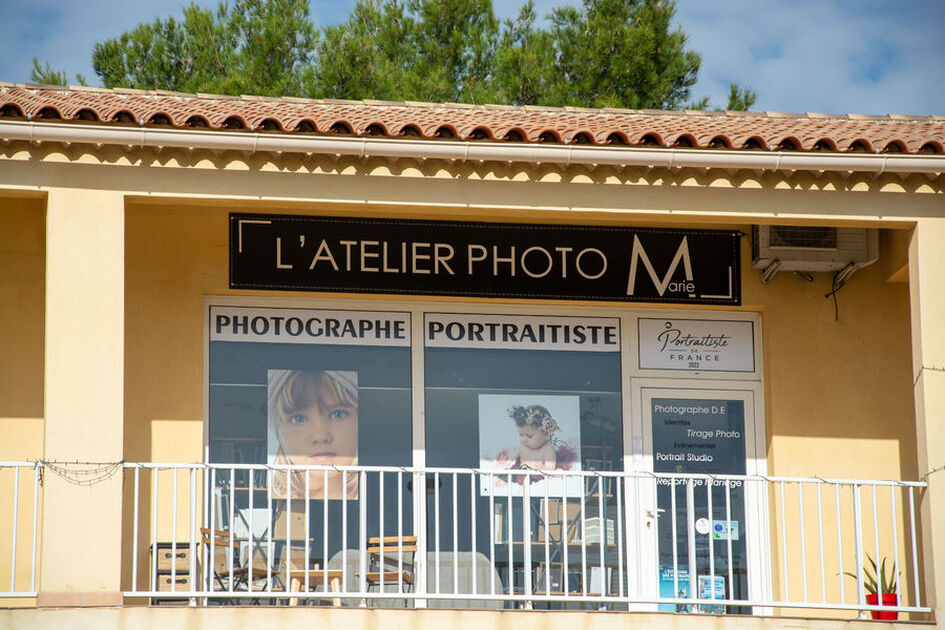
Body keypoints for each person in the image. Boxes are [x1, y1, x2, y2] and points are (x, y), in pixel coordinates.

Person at [268, 369, 359, 500]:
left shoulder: (378, 495)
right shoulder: (272, 506)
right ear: (279, 431)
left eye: (338, 414)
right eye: (298, 418)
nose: (320, 437)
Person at [495, 404, 576, 484]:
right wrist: (507, 459)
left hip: (538, 477)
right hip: (521, 476)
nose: (524, 439)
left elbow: (550, 468)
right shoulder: (521, 447)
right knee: (508, 474)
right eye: (521, 435)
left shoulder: (547, 449)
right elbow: (512, 461)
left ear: (545, 434)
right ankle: (504, 482)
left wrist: (538, 467)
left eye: (529, 436)